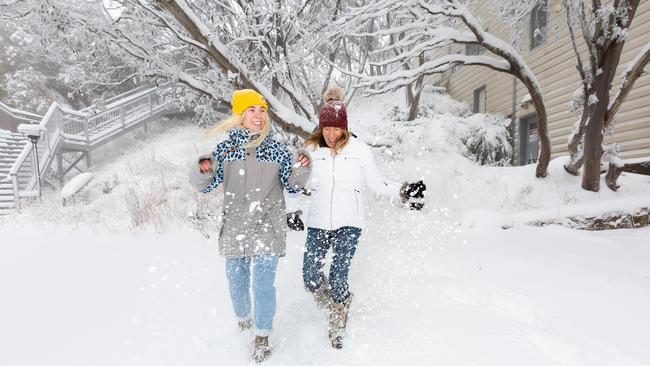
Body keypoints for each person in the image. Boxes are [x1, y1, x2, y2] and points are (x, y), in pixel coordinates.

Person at [189, 89, 311, 363]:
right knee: (237, 283)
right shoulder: (225, 150)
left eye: (262, 110)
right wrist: (202, 170)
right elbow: (206, 186)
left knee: (263, 285)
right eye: (252, 110)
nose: (258, 116)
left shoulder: (277, 149)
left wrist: (302, 167)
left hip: (268, 224)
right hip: (235, 225)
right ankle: (244, 322)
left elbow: (292, 185)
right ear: (240, 114)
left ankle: (262, 336)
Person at [301, 86, 426, 349]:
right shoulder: (310, 150)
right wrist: (291, 208)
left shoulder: (359, 150)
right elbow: (296, 181)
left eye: (337, 129)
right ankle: (334, 299)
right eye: (327, 128)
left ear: (345, 127)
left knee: (337, 275)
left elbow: (378, 183)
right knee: (310, 277)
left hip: (350, 222)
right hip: (318, 222)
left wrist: (404, 190)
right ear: (320, 126)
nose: (332, 134)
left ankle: (338, 309)